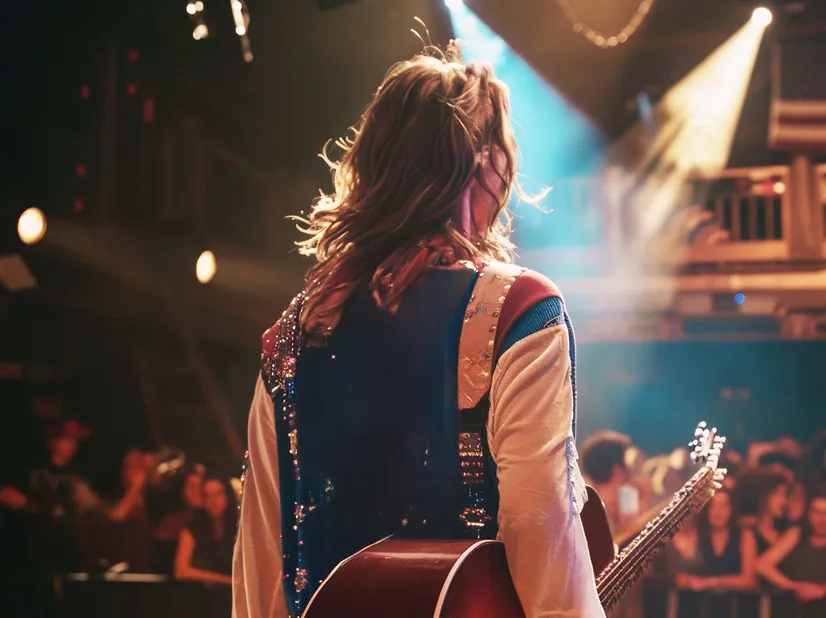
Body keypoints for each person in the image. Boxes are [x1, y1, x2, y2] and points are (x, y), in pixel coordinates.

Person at [232, 41, 604, 618]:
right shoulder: (518, 310)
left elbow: (264, 544)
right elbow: (541, 522)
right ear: (481, 167)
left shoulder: (291, 335)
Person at [175, 477, 236, 585]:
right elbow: (181, 571)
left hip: (234, 595)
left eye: (218, 494)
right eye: (207, 496)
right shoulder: (193, 527)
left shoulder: (239, 527)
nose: (213, 501)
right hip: (199, 594)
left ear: (228, 496)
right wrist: (227, 580)